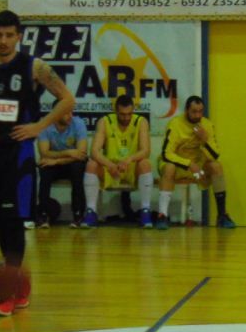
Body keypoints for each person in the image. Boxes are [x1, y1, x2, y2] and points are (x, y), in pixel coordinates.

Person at [0, 10, 75, 317]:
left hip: (18, 154)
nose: (3, 41)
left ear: (19, 37)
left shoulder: (34, 66)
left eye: (9, 35)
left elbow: (67, 99)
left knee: (13, 221)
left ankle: (8, 293)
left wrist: (39, 127)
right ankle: (20, 283)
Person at [157, 96, 235, 230]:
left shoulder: (207, 125)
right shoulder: (175, 124)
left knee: (216, 166)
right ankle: (162, 216)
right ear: (186, 110)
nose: (198, 115)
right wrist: (189, 164)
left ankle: (222, 216)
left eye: (200, 111)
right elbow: (166, 154)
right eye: (194, 111)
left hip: (198, 170)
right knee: (169, 167)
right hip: (178, 167)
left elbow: (215, 155)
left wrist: (205, 141)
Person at [89, 94, 155, 228]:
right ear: (116, 111)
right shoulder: (105, 121)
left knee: (145, 163)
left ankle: (145, 211)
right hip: (110, 169)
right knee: (91, 164)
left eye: (129, 114)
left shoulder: (141, 122)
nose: (126, 118)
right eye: (122, 114)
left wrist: (129, 159)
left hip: (131, 168)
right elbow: (94, 151)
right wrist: (110, 165)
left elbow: (146, 151)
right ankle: (91, 211)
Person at [36, 100, 88, 228]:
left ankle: (78, 214)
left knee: (78, 167)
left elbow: (81, 154)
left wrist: (56, 160)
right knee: (44, 168)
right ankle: (43, 214)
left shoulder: (78, 123)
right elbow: (44, 153)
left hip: (71, 163)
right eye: (66, 113)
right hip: (55, 165)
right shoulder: (44, 125)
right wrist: (68, 152)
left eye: (71, 112)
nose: (70, 116)